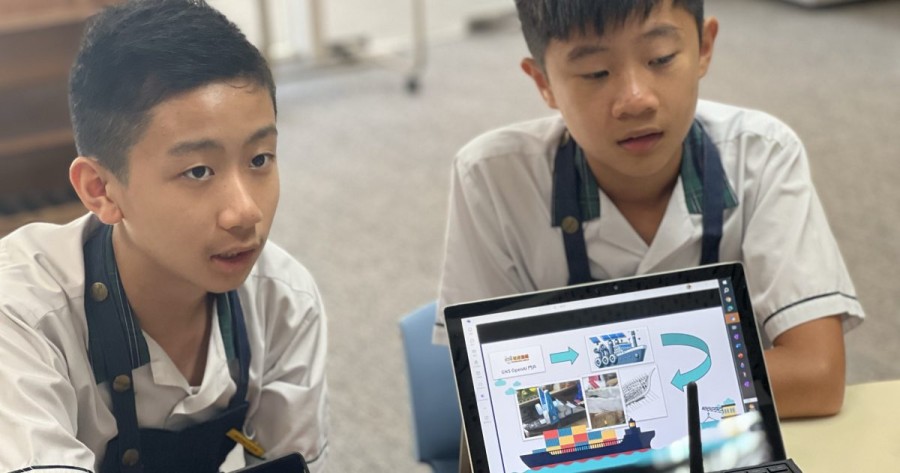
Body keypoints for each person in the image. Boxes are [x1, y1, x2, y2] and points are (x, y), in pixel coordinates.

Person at [435, 1, 865, 468]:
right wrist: (697, 376)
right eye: (596, 73)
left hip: (730, 454)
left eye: (660, 58)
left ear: (704, 48)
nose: (636, 99)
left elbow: (818, 376)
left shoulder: (761, 155)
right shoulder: (492, 180)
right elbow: (492, 413)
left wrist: (584, 395)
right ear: (543, 82)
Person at [0, 1, 327, 472]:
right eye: (198, 171)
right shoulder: (23, 314)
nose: (245, 212)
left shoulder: (283, 299)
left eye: (260, 159)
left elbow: (290, 462)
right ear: (101, 190)